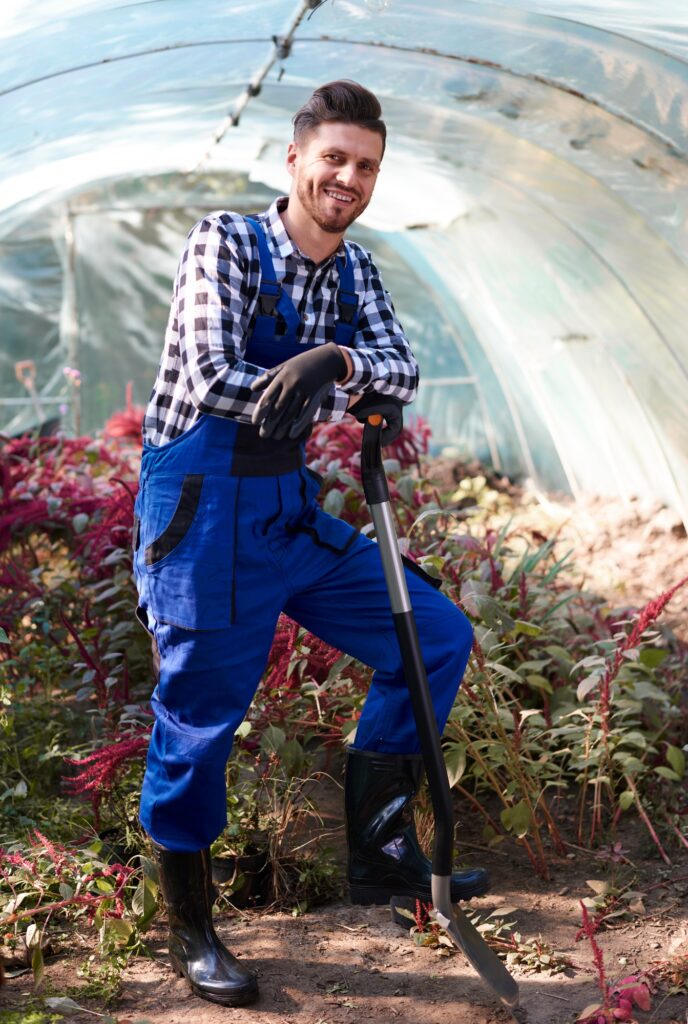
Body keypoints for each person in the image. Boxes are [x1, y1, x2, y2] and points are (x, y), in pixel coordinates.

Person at [132, 80, 488, 1008]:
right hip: (204, 514)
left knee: (434, 636)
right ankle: (193, 929)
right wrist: (344, 384)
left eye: (366, 165)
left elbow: (400, 372)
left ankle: (379, 851)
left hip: (287, 510)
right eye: (333, 158)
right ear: (294, 160)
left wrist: (333, 359)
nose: (349, 177)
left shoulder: (357, 272)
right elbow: (216, 378)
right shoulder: (225, 242)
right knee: (200, 718)